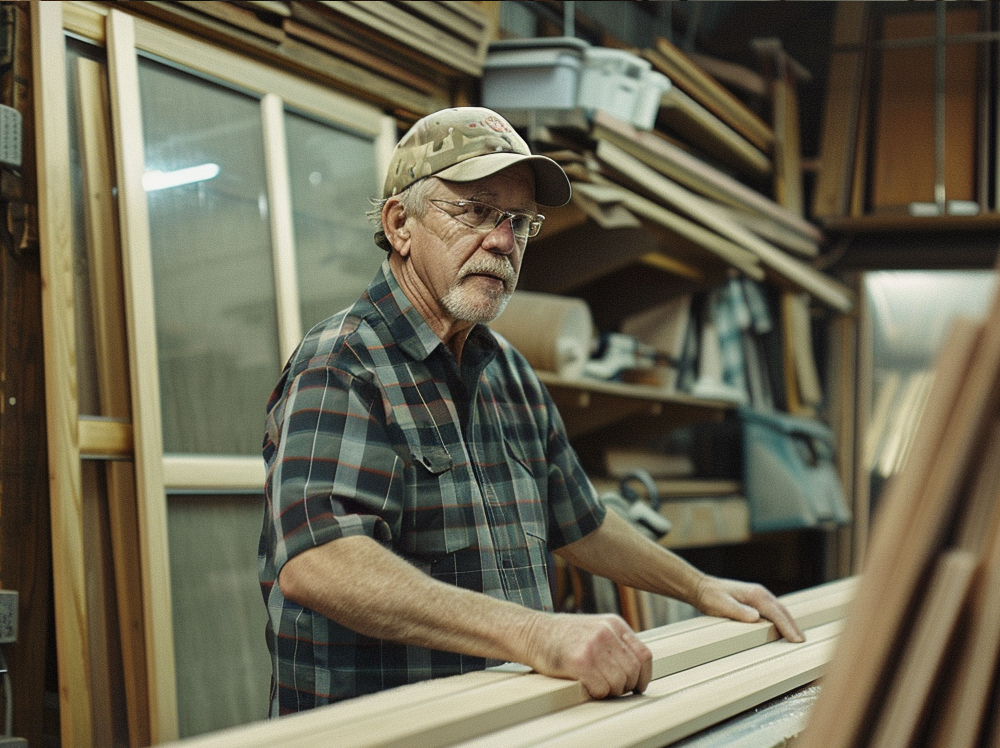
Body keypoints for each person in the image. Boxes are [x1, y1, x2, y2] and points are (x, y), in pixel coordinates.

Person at [258, 106, 803, 714]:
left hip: (500, 734)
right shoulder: (343, 364)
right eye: (475, 212)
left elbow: (583, 522)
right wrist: (537, 634)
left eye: (519, 222)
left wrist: (701, 587)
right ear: (400, 225)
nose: (501, 241)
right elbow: (319, 562)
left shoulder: (507, 371)